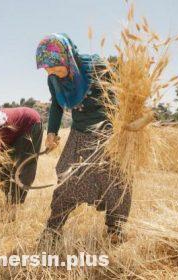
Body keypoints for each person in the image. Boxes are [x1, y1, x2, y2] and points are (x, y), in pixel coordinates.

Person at [35, 33, 132, 247]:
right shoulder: (53, 79)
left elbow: (120, 93)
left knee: (115, 179)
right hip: (79, 133)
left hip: (108, 133)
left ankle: (115, 229)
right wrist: (51, 132)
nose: (50, 72)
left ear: (67, 57)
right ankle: (53, 229)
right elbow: (57, 105)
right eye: (46, 69)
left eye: (54, 66)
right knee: (67, 177)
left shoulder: (95, 67)